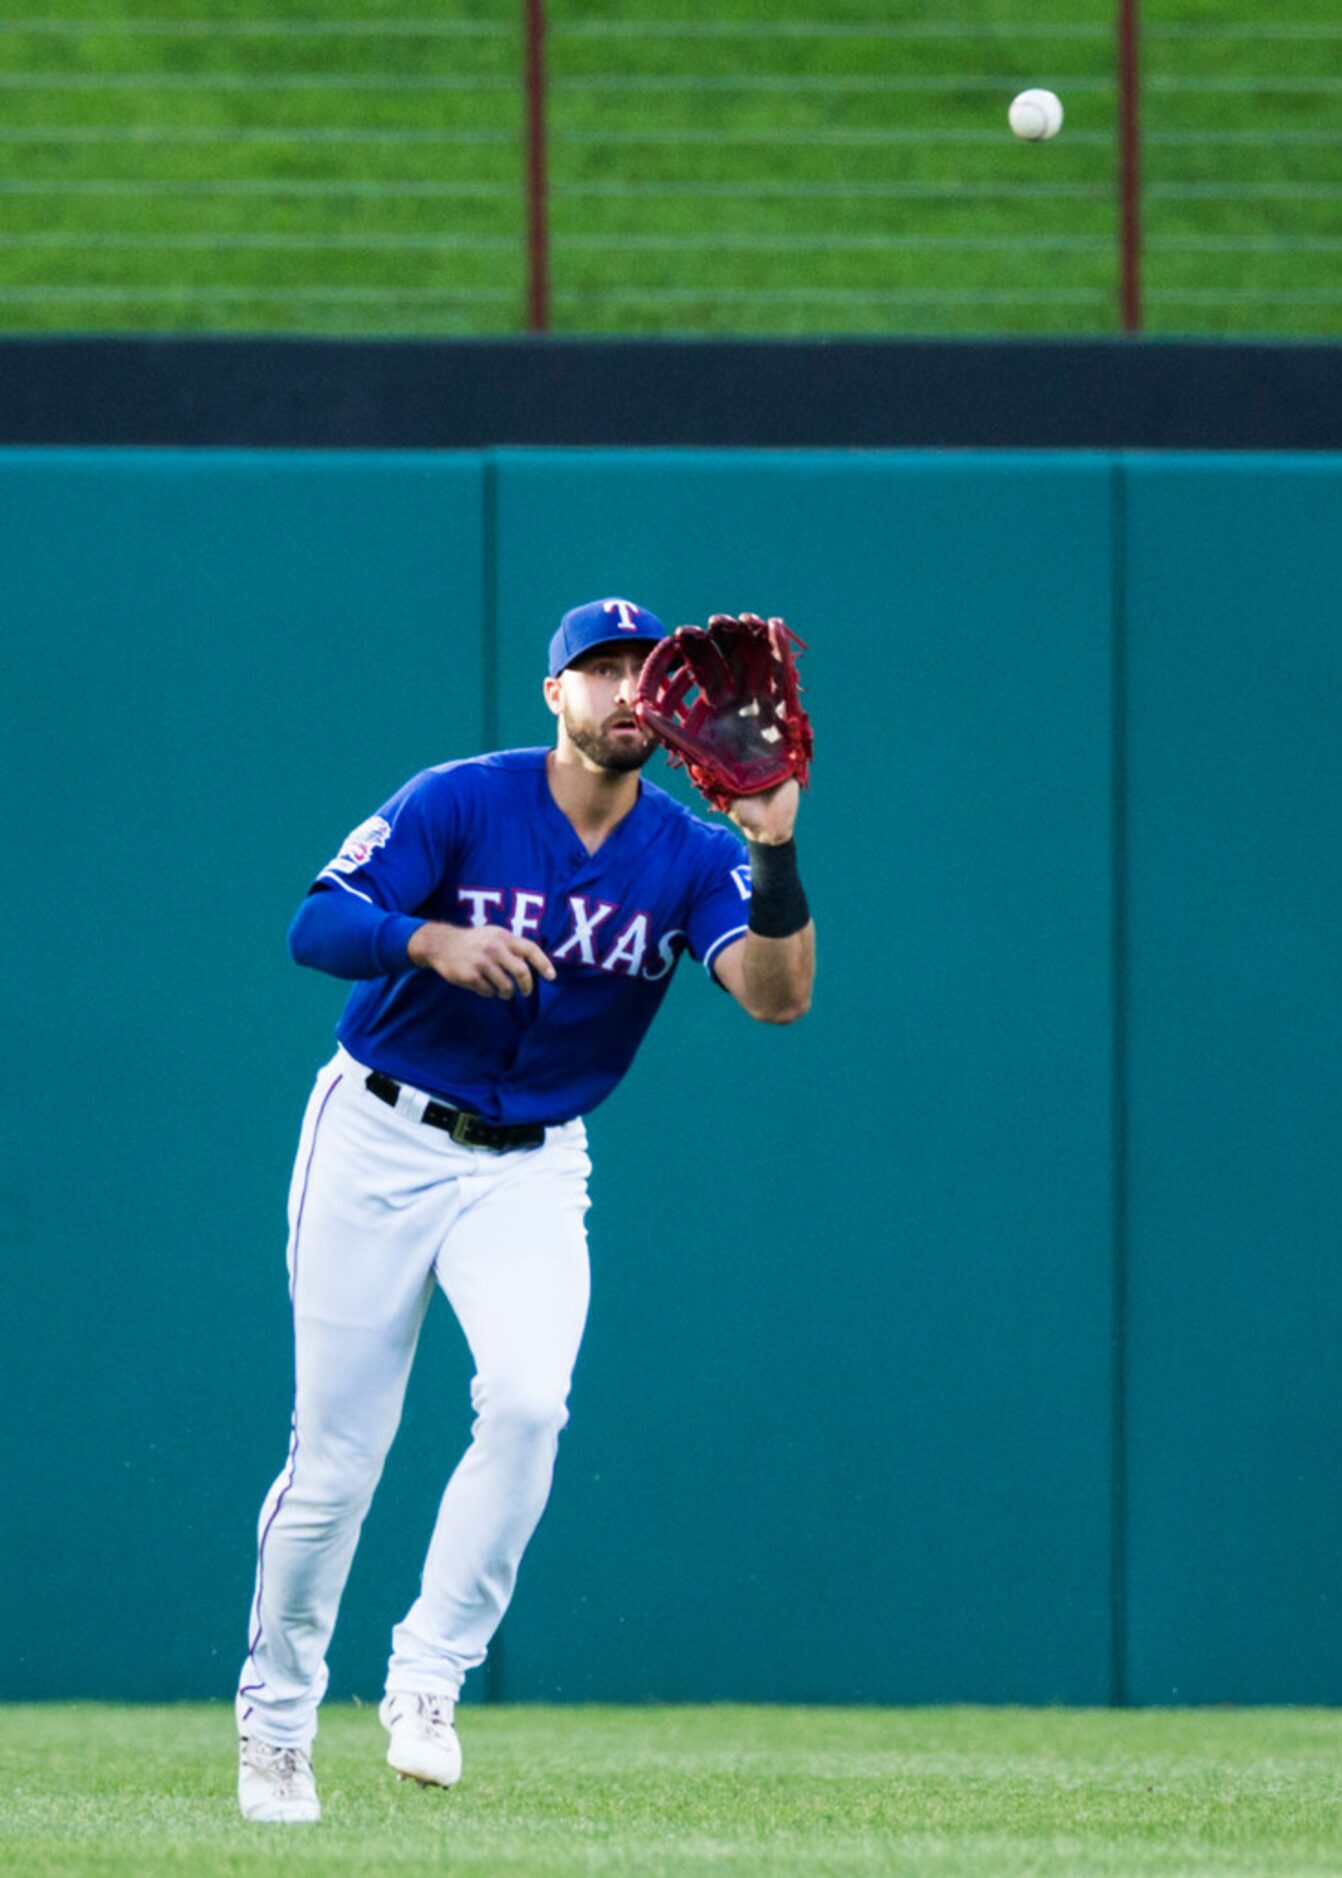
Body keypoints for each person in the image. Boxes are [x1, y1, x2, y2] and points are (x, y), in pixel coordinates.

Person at [236, 597, 815, 1824]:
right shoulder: (460, 799)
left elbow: (776, 997)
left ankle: (428, 1678)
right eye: (593, 671)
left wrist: (770, 848)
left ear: (666, 704)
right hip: (379, 1136)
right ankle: (277, 1726)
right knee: (337, 1464)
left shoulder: (691, 852)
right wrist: (424, 939)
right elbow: (313, 923)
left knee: (531, 1403)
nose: (618, 691)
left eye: (637, 673)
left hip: (532, 1163)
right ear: (553, 694)